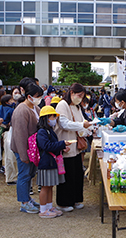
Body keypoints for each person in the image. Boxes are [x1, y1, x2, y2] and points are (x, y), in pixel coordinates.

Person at [54, 83, 91, 212]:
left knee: (76, 173)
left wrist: (89, 127)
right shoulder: (62, 105)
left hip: (75, 145)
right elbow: (64, 123)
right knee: (67, 175)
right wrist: (83, 125)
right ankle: (63, 202)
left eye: (82, 96)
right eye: (79, 95)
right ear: (72, 93)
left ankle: (75, 199)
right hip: (65, 144)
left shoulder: (76, 106)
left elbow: (82, 123)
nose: (80, 98)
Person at [10, 82, 43, 213]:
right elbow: (19, 134)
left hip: (32, 148)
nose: (39, 98)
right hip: (23, 148)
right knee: (24, 174)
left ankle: (27, 199)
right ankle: (23, 202)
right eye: (37, 96)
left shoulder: (35, 108)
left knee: (30, 174)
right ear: (29, 96)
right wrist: (23, 155)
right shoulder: (21, 110)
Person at [36, 106, 70, 218]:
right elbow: (46, 146)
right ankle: (43, 210)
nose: (55, 118)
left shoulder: (49, 130)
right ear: (46, 118)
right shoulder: (42, 131)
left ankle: (49, 207)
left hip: (51, 162)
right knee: (45, 187)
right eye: (53, 116)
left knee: (50, 186)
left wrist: (62, 147)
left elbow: (51, 145)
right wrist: (62, 144)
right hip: (46, 163)